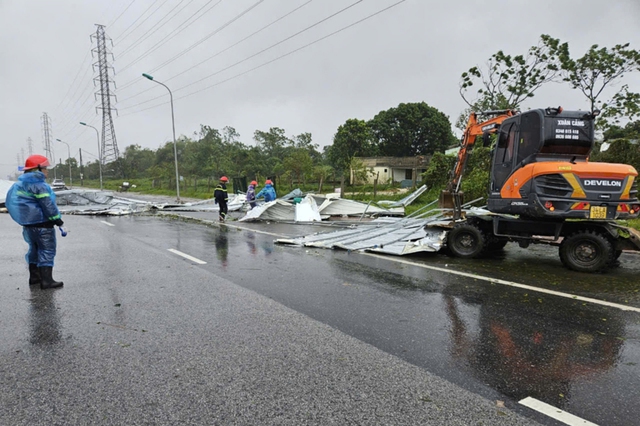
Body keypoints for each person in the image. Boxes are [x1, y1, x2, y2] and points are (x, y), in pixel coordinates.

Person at [6, 154, 64, 289]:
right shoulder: (39, 186)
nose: (47, 171)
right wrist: (58, 220)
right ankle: (47, 281)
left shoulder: (20, 184)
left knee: (34, 249)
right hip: (43, 224)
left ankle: (34, 278)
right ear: (37, 169)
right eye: (45, 168)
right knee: (47, 250)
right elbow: (48, 205)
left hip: (28, 225)